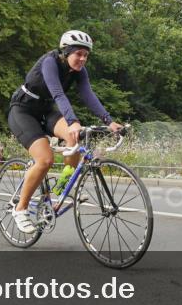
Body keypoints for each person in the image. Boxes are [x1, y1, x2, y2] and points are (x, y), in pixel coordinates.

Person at [6, 30, 123, 234]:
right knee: (45, 160)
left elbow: (88, 95)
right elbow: (58, 93)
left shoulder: (80, 71)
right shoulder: (49, 62)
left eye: (86, 55)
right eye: (78, 53)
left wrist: (110, 121)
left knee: (73, 136)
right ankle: (20, 208)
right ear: (65, 51)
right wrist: (73, 120)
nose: (82, 59)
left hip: (46, 110)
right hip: (23, 109)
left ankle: (60, 190)